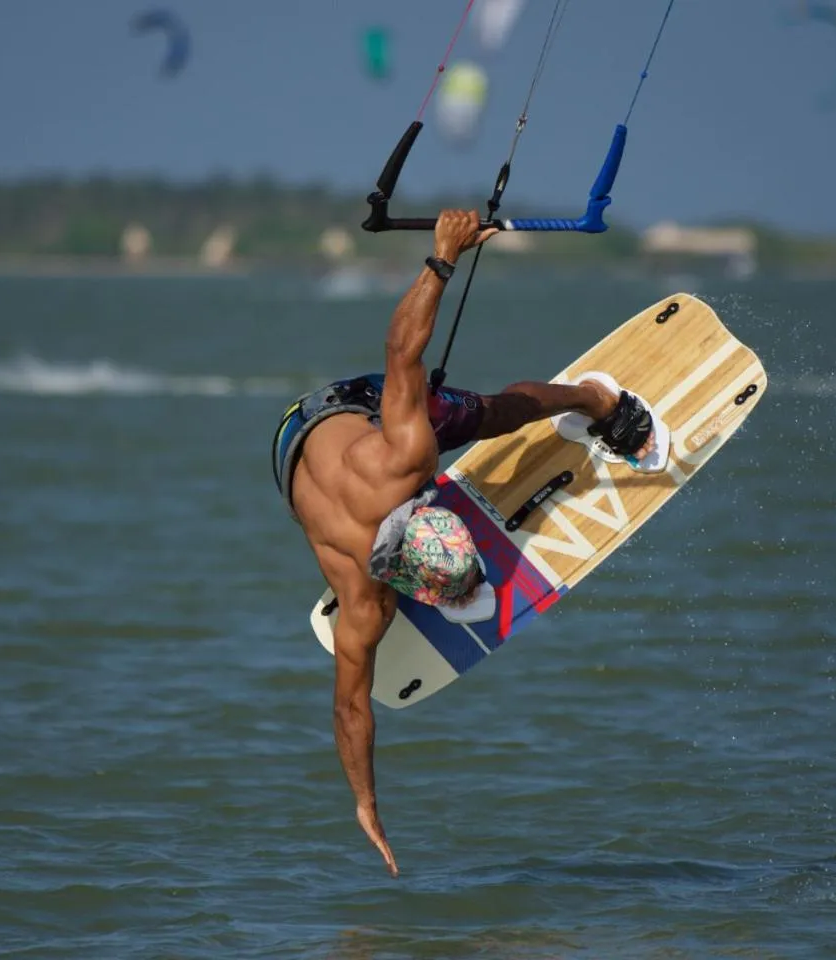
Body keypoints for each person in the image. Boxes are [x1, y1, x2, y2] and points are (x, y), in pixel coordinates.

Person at [271, 210, 661, 876]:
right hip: (296, 447)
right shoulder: (364, 599)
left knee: (489, 415)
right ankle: (460, 572)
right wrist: (365, 805)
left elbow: (401, 352)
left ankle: (595, 402)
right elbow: (349, 707)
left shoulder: (404, 452)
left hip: (344, 416)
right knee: (405, 586)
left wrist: (442, 258)